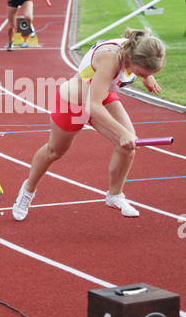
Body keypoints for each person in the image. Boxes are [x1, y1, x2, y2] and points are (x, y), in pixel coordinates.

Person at [12, 28, 166, 221]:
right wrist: (122, 132)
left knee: (128, 145)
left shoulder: (143, 47)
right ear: (132, 59)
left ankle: (115, 195)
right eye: (142, 72)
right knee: (55, 151)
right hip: (74, 102)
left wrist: (147, 76)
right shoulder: (110, 59)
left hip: (100, 97)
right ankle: (27, 191)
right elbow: (92, 106)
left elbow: (98, 99)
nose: (143, 75)